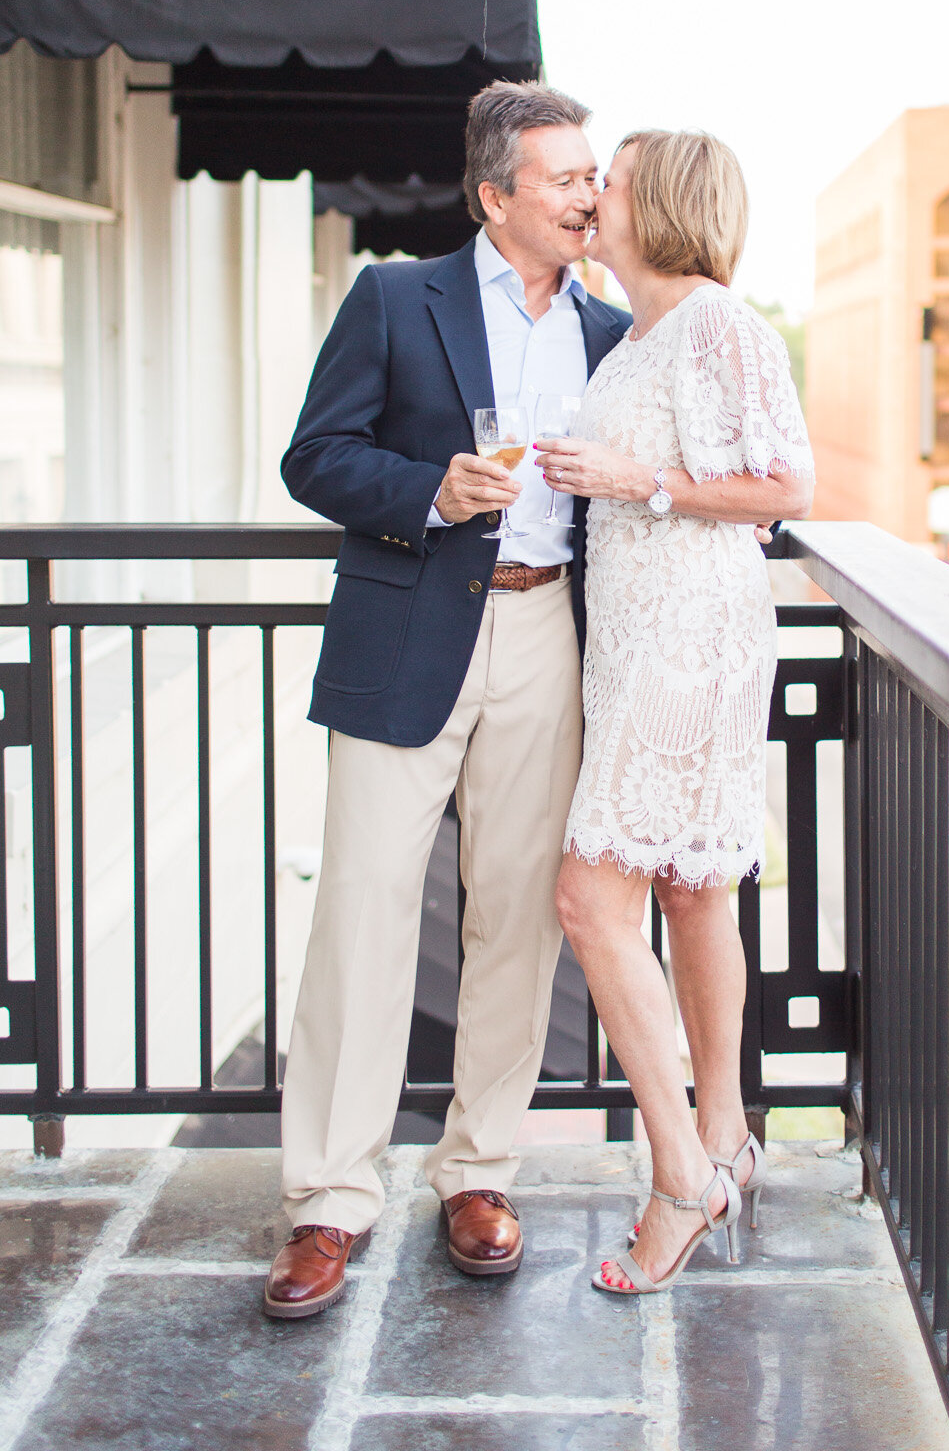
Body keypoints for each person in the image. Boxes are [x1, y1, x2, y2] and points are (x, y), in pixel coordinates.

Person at [261, 81, 631, 1320]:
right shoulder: (392, 297)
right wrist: (433, 489)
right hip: (409, 621)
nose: (590, 193)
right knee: (362, 909)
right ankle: (328, 1197)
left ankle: (478, 1171)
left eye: (592, 174)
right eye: (567, 176)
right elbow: (314, 453)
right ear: (496, 194)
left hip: (547, 632)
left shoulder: (609, 332)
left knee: (516, 918)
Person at [543, 130, 814, 1296]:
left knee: (588, 895)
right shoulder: (640, 331)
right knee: (695, 888)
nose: (595, 191)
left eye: (614, 174)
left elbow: (787, 483)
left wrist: (633, 480)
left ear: (664, 202)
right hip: (635, 639)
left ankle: (679, 1176)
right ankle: (730, 1132)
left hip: (690, 642)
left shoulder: (718, 321)